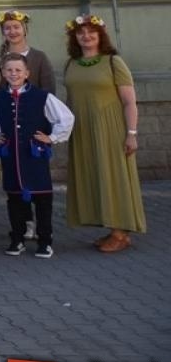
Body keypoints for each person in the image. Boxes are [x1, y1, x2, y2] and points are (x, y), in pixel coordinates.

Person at [62, 14, 146, 253]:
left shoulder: (113, 62)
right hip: (82, 129)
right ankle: (111, 228)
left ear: (101, 35)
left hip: (110, 128)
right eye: (81, 33)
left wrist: (131, 133)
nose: (86, 36)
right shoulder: (71, 63)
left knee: (114, 175)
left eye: (91, 32)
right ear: (75, 37)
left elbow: (130, 102)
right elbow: (70, 98)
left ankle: (121, 232)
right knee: (93, 175)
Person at [0, 53, 74, 260]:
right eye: (9, 70)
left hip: (34, 157)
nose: (13, 74)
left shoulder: (42, 97)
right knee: (15, 198)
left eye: (18, 70)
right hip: (12, 158)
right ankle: (17, 238)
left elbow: (66, 118)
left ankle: (45, 241)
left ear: (27, 73)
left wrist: (52, 137)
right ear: (2, 73)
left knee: (43, 199)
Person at [0, 10, 58, 93]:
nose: (12, 32)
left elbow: (49, 89)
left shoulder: (40, 57)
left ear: (25, 30)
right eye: (7, 28)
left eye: (16, 27)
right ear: (3, 33)